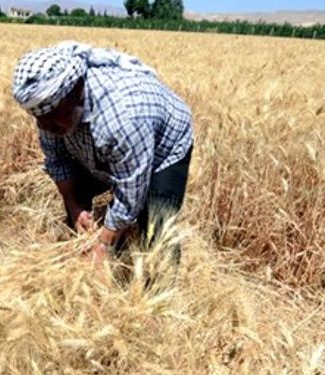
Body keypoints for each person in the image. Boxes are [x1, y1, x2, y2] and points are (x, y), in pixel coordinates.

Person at [11, 41, 194, 267]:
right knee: (78, 198)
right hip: (115, 139)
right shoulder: (51, 112)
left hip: (164, 146)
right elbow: (57, 161)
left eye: (52, 117)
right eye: (39, 118)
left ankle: (160, 287)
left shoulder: (122, 116)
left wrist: (104, 245)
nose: (45, 126)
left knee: (157, 224)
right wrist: (74, 207)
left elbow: (130, 189)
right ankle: (82, 253)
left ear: (78, 92)